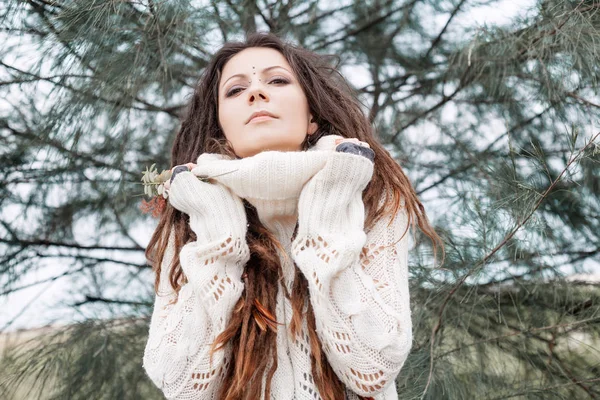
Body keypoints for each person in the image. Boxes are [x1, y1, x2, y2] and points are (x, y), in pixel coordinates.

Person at [142, 32, 443, 400]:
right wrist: (217, 228)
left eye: (277, 80)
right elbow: (181, 384)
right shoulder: (192, 212)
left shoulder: (370, 196)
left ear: (312, 114)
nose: (255, 93)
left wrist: (331, 199)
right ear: (221, 124)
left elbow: (373, 367)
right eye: (235, 90)